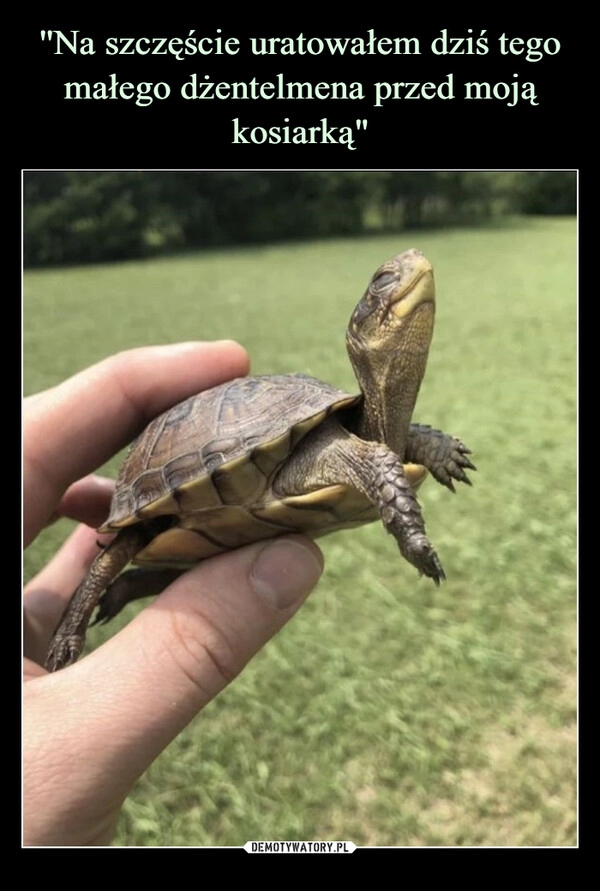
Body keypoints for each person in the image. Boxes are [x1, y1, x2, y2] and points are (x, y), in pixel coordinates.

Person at [23, 341, 324, 846]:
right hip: (191, 494)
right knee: (125, 546)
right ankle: (80, 618)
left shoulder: (338, 437)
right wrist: (68, 631)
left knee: (183, 560)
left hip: (244, 511)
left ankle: (137, 584)